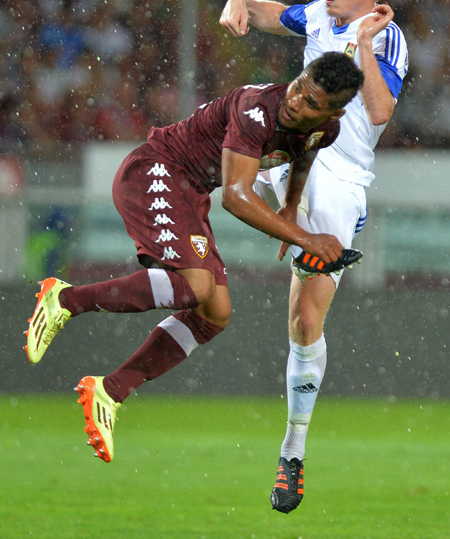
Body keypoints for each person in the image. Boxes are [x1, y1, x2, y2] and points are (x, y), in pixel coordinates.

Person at [25, 51, 364, 464]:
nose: (296, 103)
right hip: (156, 171)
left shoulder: (324, 130)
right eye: (298, 88)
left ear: (334, 112)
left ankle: (110, 390)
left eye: (311, 103)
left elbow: (304, 154)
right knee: (198, 286)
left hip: (189, 193)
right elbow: (237, 199)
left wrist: (291, 206)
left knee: (214, 314)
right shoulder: (257, 108)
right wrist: (307, 239)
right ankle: (64, 300)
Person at [219, 0, 408, 514]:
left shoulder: (390, 35)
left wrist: (367, 48)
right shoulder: (319, 16)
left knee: (304, 323)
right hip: (300, 152)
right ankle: (281, 223)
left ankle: (292, 454)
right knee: (239, 129)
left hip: (344, 180)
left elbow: (379, 112)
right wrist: (240, 2)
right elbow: (274, 12)